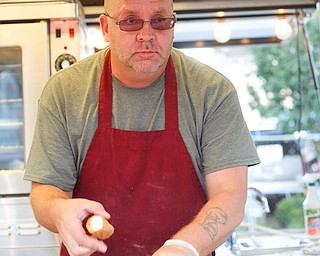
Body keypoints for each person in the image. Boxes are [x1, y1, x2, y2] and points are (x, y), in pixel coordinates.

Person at [24, 0, 260, 255]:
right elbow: (46, 193)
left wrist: (182, 247)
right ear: (105, 28)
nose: (146, 35)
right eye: (130, 21)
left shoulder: (211, 91)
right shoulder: (65, 92)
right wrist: (58, 211)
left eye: (160, 21)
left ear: (173, 24)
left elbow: (230, 195)